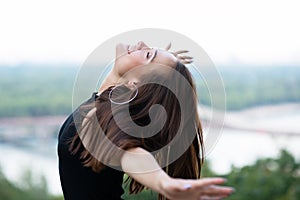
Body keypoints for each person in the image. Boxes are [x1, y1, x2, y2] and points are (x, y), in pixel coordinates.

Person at [58, 41, 234, 200]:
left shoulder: (98, 118)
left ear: (134, 85)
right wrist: (159, 63)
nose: (141, 43)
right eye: (150, 49)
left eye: (148, 54)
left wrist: (162, 181)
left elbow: (129, 154)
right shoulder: (104, 104)